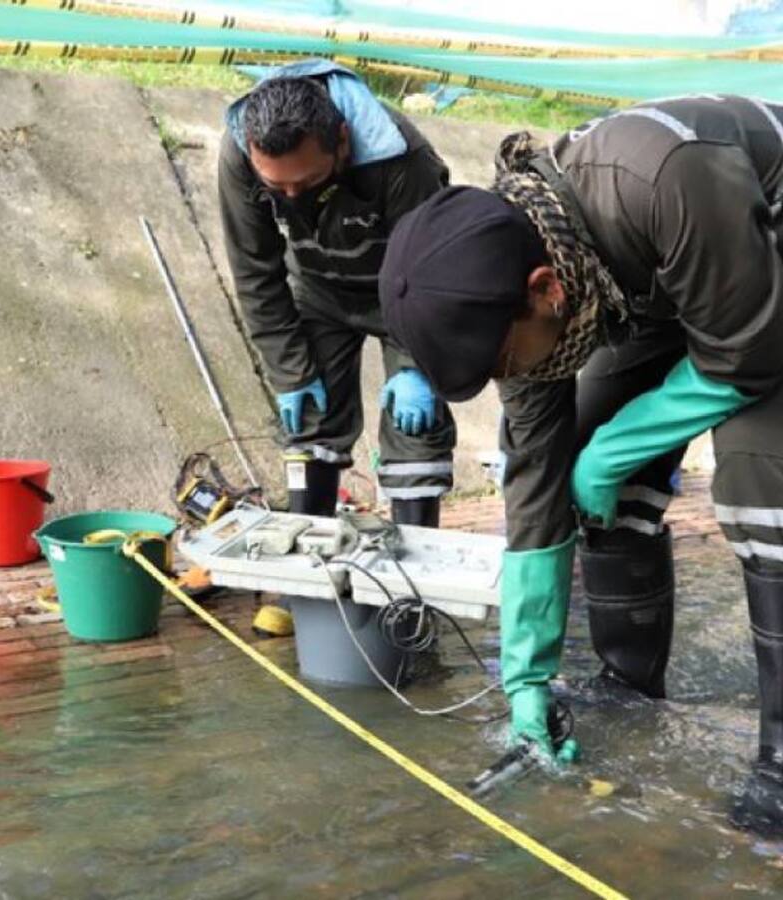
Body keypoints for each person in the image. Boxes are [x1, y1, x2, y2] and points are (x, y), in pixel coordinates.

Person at [377, 95, 783, 831]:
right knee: (589, 475)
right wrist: (526, 679)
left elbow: (750, 350)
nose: (513, 376)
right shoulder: (517, 273)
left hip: (761, 264)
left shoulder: (660, 176)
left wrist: (614, 449)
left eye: (506, 360)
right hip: (661, 287)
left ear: (545, 289)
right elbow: (536, 483)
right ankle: (628, 686)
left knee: (762, 487)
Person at [218, 60, 457, 636]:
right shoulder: (239, 156)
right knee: (312, 425)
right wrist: (289, 369)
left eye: (306, 181)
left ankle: (411, 592)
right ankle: (306, 579)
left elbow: (433, 268)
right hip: (319, 290)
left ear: (342, 141)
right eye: (278, 187)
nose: (291, 195)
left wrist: (421, 365)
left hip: (407, 290)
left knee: (414, 430)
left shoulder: (405, 162)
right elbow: (255, 270)